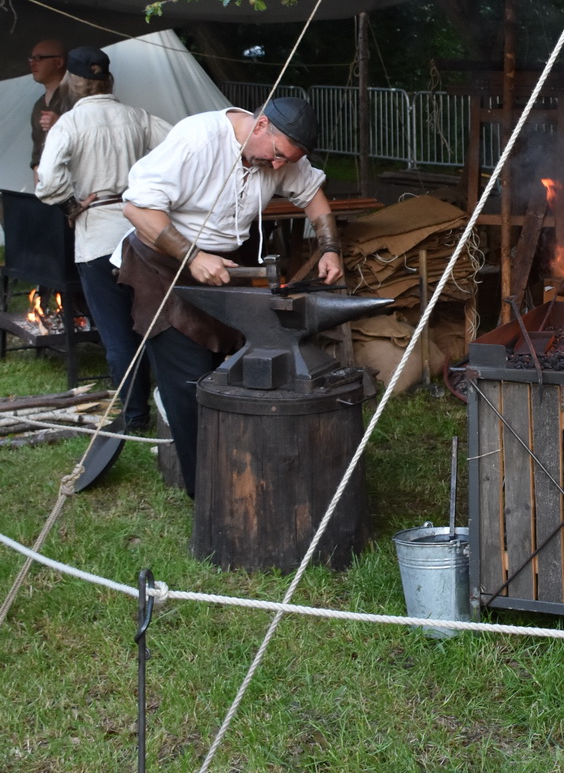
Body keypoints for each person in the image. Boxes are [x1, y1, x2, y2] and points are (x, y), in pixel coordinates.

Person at [119, 96, 343, 496]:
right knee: (187, 381)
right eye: (276, 155)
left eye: (286, 161)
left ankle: (238, 468)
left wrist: (330, 247)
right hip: (162, 265)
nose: (278, 167)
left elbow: (312, 195)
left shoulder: (280, 156)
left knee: (229, 370)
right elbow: (137, 209)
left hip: (223, 268)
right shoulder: (197, 139)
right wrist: (192, 256)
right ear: (260, 126)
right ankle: (204, 493)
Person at [35, 47, 172, 437]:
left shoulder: (69, 124)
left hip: (96, 238)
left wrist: (73, 200)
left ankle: (134, 417)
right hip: (142, 235)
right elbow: (177, 147)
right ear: (108, 80)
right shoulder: (137, 117)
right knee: (153, 325)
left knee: (116, 332)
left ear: (73, 85)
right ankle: (168, 407)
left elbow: (47, 184)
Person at [27, 37, 67, 178]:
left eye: (38, 58)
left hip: (74, 187)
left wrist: (61, 123)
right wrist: (38, 185)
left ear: (59, 62)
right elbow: (37, 152)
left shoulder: (75, 97)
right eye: (31, 59)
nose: (32, 63)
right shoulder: (39, 105)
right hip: (48, 189)